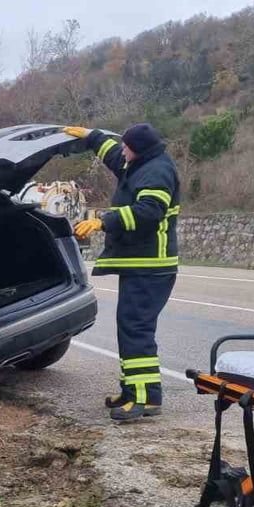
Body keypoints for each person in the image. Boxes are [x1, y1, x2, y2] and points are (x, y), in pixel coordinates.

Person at [64, 123, 180, 421]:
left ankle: (143, 398)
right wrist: (92, 137)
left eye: (127, 147)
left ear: (139, 150)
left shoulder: (157, 172)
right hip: (140, 265)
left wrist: (104, 221)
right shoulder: (139, 163)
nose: (123, 152)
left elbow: (149, 212)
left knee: (136, 329)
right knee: (131, 328)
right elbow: (114, 155)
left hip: (152, 267)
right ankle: (135, 391)